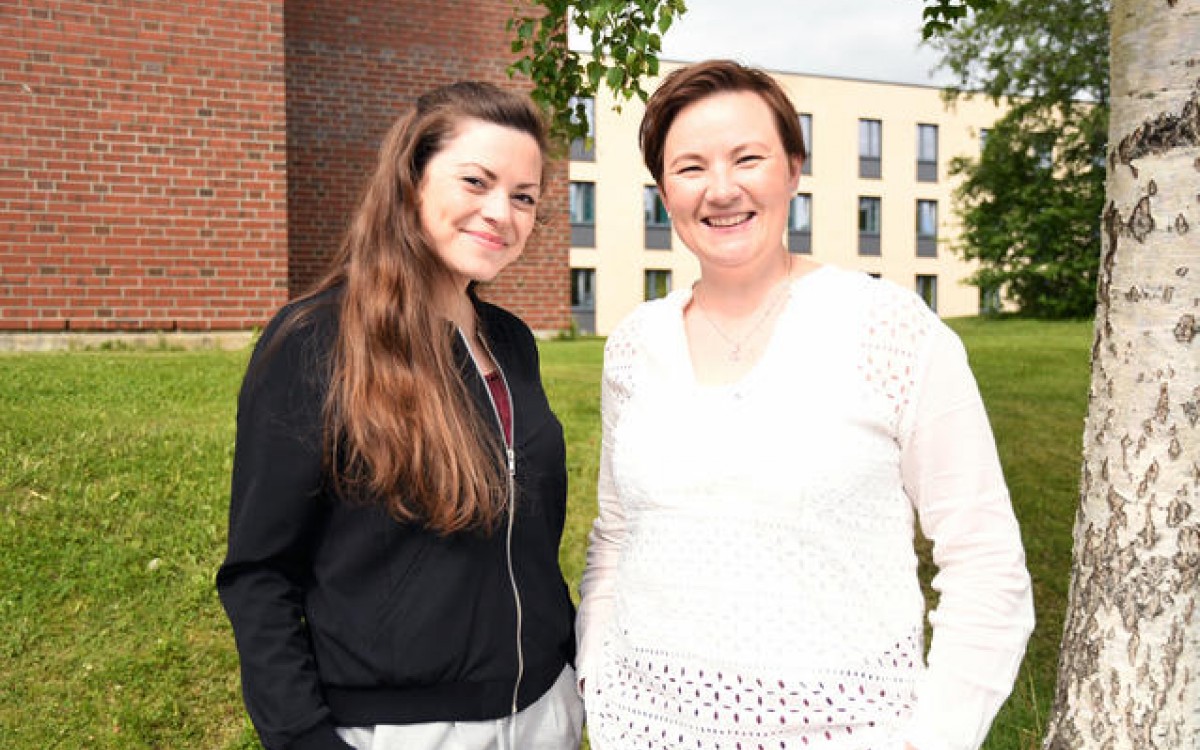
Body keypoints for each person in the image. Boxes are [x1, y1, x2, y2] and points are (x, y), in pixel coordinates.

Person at [575, 60, 1035, 750]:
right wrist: (595, 676)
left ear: (793, 169)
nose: (721, 189)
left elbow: (985, 560)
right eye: (690, 167)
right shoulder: (636, 344)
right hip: (641, 732)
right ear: (664, 191)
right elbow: (614, 534)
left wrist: (936, 738)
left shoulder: (892, 329)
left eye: (748, 158)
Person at [216, 81, 582, 750]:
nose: (501, 212)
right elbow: (260, 576)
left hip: (545, 713)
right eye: (476, 181)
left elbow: (529, 544)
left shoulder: (512, 342)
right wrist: (303, 739)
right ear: (412, 181)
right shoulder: (316, 340)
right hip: (404, 730)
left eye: (524, 196)